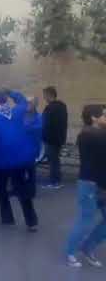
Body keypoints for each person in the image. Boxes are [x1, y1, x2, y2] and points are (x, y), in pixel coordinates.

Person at [0, 89, 38, 232]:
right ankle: (31, 221)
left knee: (0, 190)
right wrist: (11, 92)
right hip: (17, 160)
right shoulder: (17, 112)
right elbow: (23, 100)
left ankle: (7, 217)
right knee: (22, 190)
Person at [66, 105, 106, 268]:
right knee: (86, 219)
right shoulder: (89, 135)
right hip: (90, 184)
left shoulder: (99, 134)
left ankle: (87, 247)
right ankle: (70, 252)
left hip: (102, 185)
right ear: (94, 118)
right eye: (104, 115)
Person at [42, 86, 68, 189]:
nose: (44, 98)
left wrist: (43, 136)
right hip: (59, 138)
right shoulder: (62, 106)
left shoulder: (50, 108)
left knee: (53, 162)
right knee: (56, 161)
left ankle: (54, 182)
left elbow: (46, 124)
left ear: (49, 95)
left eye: (44, 95)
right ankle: (57, 181)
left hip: (50, 139)